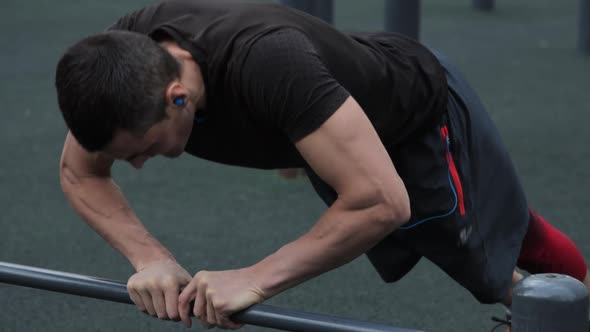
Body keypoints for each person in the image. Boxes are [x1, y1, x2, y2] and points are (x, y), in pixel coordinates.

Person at [54, 0, 589, 329]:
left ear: (177, 97)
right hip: (332, 120)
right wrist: (150, 260)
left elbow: (382, 202)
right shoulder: (123, 61)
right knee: (485, 242)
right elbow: (80, 171)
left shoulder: (268, 64)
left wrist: (256, 278)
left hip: (415, 117)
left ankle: (563, 310)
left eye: (142, 149)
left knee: (490, 258)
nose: (140, 165)